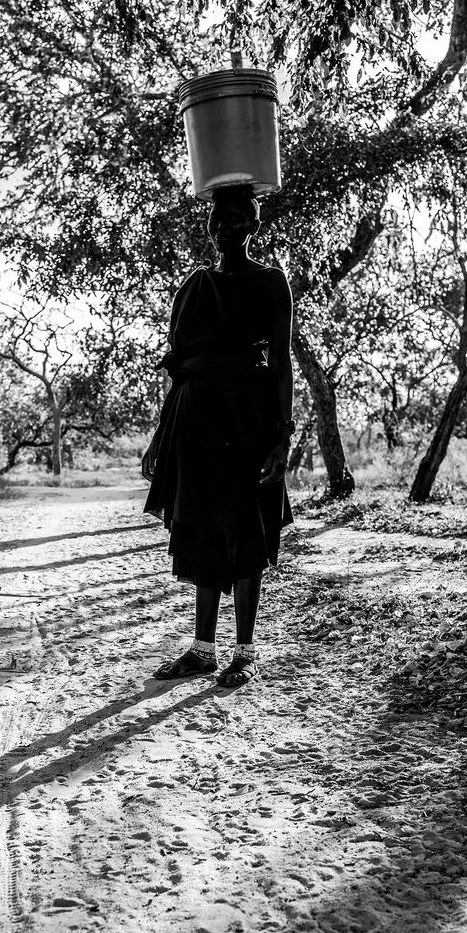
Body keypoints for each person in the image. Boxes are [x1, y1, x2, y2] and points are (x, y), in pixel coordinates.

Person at [142, 185, 294, 687]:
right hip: (193, 423)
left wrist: (281, 437)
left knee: (246, 530)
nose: (224, 224)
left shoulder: (272, 282)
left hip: (248, 420)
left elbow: (280, 364)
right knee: (202, 528)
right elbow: (179, 369)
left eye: (235, 217)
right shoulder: (193, 286)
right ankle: (202, 648)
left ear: (252, 225)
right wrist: (160, 437)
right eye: (217, 216)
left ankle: (245, 651)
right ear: (208, 225)